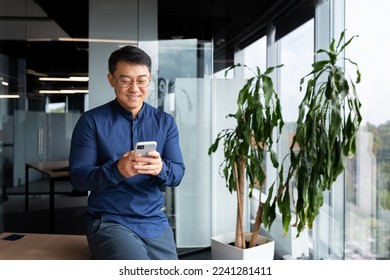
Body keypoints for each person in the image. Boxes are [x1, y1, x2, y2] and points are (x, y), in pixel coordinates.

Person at [69, 45, 185, 260]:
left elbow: (178, 174)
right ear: (111, 79)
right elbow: (78, 179)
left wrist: (162, 169)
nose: (134, 88)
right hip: (110, 220)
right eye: (125, 80)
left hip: (153, 220)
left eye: (141, 80)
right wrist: (116, 171)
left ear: (149, 79)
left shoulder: (165, 122)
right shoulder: (91, 122)